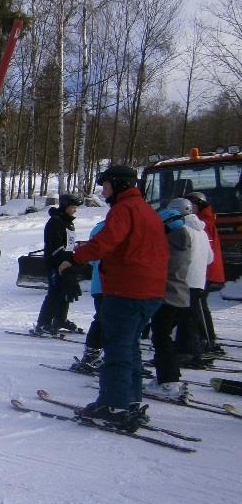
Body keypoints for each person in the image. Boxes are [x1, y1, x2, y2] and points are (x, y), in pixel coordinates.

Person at [58, 164, 168, 431]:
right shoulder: (146, 210)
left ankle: (114, 404)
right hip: (149, 291)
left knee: (117, 347)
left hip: (127, 290)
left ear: (119, 184)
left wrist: (73, 258)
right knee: (129, 347)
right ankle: (129, 400)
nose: (103, 190)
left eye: (105, 184)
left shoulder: (124, 209)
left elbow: (107, 241)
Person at [145, 204, 192, 399]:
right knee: (165, 339)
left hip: (166, 296)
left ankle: (168, 381)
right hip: (180, 296)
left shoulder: (170, 243)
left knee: (161, 339)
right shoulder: (183, 240)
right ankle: (169, 377)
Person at [33, 193, 82, 335]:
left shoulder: (68, 222)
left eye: (75, 207)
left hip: (66, 262)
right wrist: (62, 261)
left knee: (65, 291)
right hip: (56, 263)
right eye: (72, 207)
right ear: (65, 206)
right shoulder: (56, 222)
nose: (74, 210)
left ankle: (60, 319)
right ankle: (43, 324)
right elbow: (55, 245)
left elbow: (68, 244)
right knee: (54, 293)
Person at [174, 197, 213, 368]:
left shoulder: (183, 229)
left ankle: (188, 352)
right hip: (199, 279)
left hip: (183, 278)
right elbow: (210, 258)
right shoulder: (202, 231)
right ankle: (194, 348)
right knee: (191, 315)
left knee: (184, 317)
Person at [186, 191, 224, 355]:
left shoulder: (203, 223)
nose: (189, 208)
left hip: (204, 271)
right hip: (201, 271)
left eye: (191, 205)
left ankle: (207, 340)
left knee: (199, 306)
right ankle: (200, 338)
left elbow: (205, 253)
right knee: (195, 306)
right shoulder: (202, 221)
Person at [70, 220, 106, 373]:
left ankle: (97, 354)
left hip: (109, 285)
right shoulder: (103, 228)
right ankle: (92, 355)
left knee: (106, 320)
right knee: (102, 319)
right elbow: (92, 254)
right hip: (106, 285)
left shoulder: (105, 227)